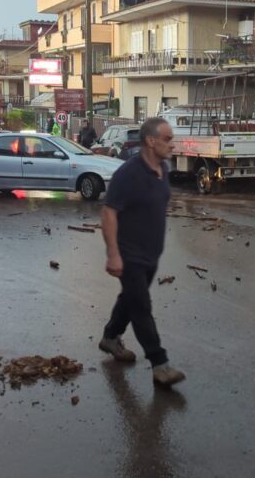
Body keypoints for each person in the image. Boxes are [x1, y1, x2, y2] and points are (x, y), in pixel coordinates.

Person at [99, 117, 185, 387]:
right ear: (151, 141)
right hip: (129, 253)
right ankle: (160, 364)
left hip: (151, 254)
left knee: (131, 300)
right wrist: (113, 254)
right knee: (141, 306)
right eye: (168, 139)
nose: (173, 145)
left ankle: (110, 337)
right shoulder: (128, 174)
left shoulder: (163, 169)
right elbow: (109, 212)